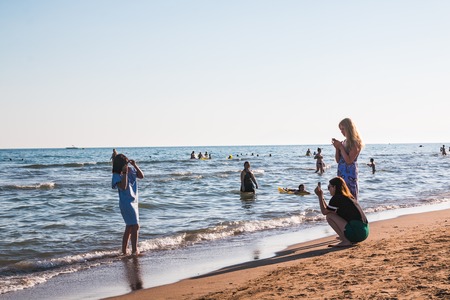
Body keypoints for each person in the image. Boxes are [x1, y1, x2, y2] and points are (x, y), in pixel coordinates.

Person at [314, 177, 369, 247]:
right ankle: (345, 237)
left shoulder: (336, 198)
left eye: (329, 187)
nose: (328, 190)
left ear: (334, 187)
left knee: (329, 217)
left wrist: (319, 196)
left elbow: (324, 212)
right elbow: (328, 210)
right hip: (364, 231)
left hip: (358, 233)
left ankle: (345, 241)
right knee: (332, 213)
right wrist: (322, 196)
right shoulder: (348, 197)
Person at [112, 153, 144, 256]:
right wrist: (125, 173)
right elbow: (124, 186)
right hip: (126, 203)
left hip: (134, 202)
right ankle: (134, 250)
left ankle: (124, 251)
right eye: (126, 163)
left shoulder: (131, 170)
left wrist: (135, 165)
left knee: (130, 227)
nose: (127, 165)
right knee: (135, 226)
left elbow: (141, 176)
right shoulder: (117, 175)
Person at [332, 118, 364, 201]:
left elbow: (349, 161)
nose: (342, 131)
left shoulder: (355, 142)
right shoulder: (343, 142)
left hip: (350, 174)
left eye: (343, 129)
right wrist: (337, 148)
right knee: (340, 196)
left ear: (349, 128)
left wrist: (340, 147)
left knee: (350, 197)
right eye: (340, 129)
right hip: (341, 172)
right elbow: (338, 160)